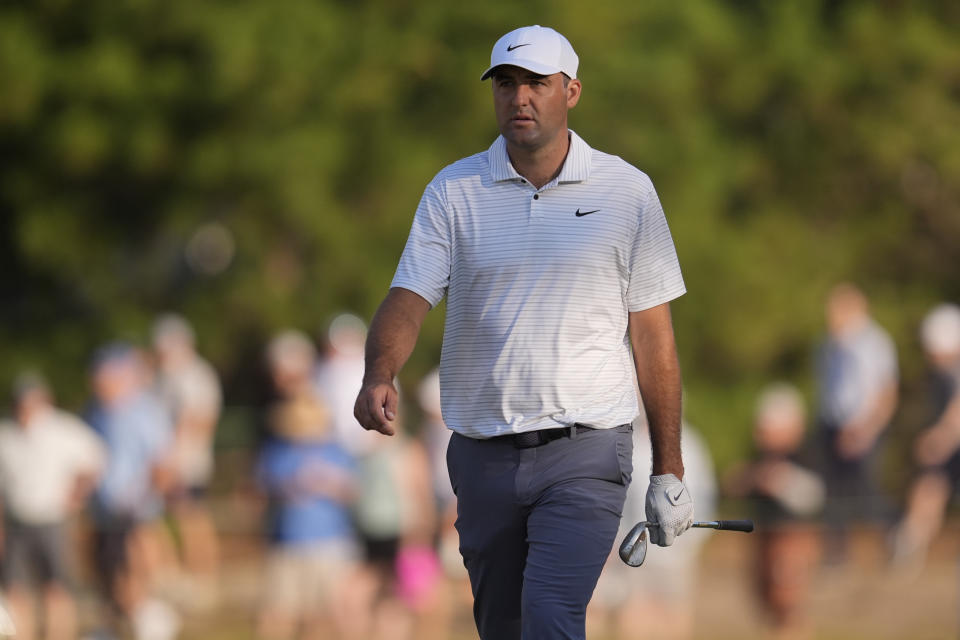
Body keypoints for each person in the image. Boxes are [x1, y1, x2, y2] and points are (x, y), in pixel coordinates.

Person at [353, 25, 692, 640]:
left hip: (586, 449)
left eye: (536, 83)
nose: (520, 98)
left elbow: (654, 340)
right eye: (506, 84)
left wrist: (669, 469)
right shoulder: (453, 191)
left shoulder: (627, 191)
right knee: (502, 627)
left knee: (550, 618)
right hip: (482, 454)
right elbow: (410, 295)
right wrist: (380, 371)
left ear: (573, 92)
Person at [257, 330, 361, 640]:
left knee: (324, 616)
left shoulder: (336, 450)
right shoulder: (278, 450)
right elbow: (266, 486)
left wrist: (328, 484)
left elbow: (352, 490)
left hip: (331, 541)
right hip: (288, 541)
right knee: (278, 611)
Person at [590, 417, 716, 640]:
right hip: (636, 553)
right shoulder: (627, 441)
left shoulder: (692, 444)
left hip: (678, 555)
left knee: (675, 619)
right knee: (634, 617)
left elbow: (704, 496)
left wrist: (691, 542)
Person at [0, 373, 105, 640]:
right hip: (17, 522)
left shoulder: (63, 429)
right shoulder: (6, 435)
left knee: (57, 589)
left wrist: (76, 496)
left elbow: (95, 460)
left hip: (53, 520)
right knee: (15, 589)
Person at [86, 344, 180, 640]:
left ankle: (145, 621)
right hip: (103, 510)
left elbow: (162, 463)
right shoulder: (93, 413)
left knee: (135, 568)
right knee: (106, 571)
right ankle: (115, 624)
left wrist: (147, 501)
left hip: (136, 509)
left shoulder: (145, 412)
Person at [726, 384, 824, 640]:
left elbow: (815, 498)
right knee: (768, 603)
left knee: (789, 604)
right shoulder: (760, 457)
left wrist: (779, 483)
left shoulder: (807, 456)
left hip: (791, 542)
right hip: (765, 541)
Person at [815, 283, 898, 562]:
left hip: (864, 428)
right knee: (834, 492)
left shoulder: (875, 343)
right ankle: (837, 552)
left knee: (867, 490)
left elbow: (886, 392)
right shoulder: (830, 344)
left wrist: (865, 430)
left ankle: (894, 541)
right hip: (833, 425)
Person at [151, 313, 223, 605]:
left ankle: (204, 581)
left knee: (192, 518)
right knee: (167, 519)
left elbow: (198, 420)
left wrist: (175, 459)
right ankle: (179, 577)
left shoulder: (195, 374)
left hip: (186, 462)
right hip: (169, 459)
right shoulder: (167, 376)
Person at [889, 303, 960, 570]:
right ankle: (909, 543)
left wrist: (941, 437)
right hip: (951, 446)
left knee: (932, 480)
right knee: (930, 483)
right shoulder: (941, 374)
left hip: (952, 440)